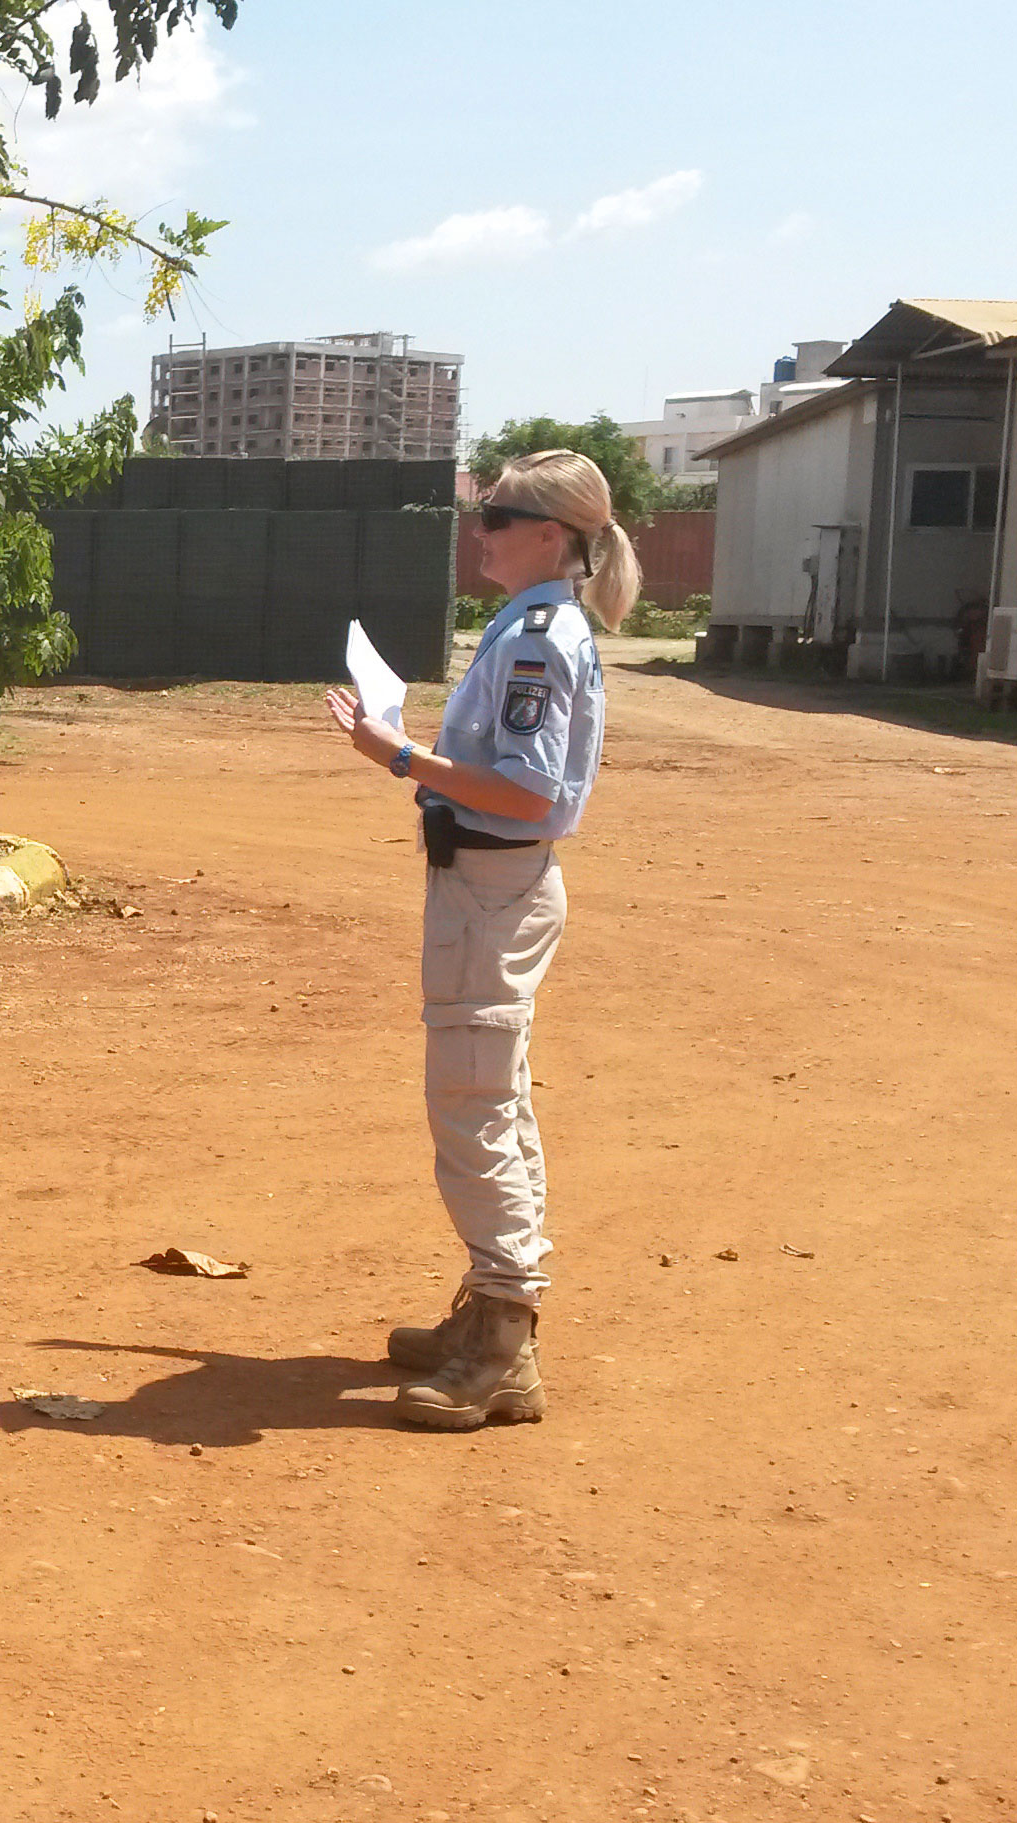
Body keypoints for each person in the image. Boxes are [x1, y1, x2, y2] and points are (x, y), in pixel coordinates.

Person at [322, 448, 628, 1433]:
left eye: (496, 516)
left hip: (493, 891)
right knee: (489, 1095)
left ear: (553, 535)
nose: (479, 531)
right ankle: (496, 1306)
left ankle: (504, 1343)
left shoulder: (539, 636)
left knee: (471, 1104)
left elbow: (528, 790)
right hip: (491, 885)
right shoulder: (529, 622)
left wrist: (399, 755)